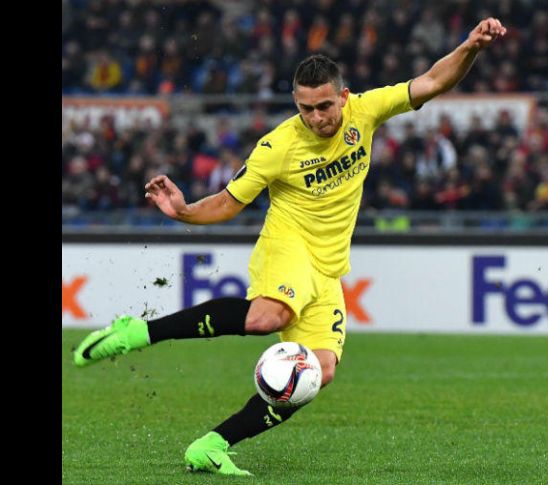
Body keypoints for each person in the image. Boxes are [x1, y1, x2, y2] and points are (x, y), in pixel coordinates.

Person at [73, 17, 508, 476]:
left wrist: (470, 47)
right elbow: (228, 202)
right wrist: (183, 212)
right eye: (306, 109)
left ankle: (212, 444)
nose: (316, 118)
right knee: (269, 317)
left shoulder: (366, 110)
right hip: (289, 244)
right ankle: (138, 332)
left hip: (328, 266)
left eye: (324, 106)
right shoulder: (278, 146)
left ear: (343, 96)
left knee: (319, 373)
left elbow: (433, 81)